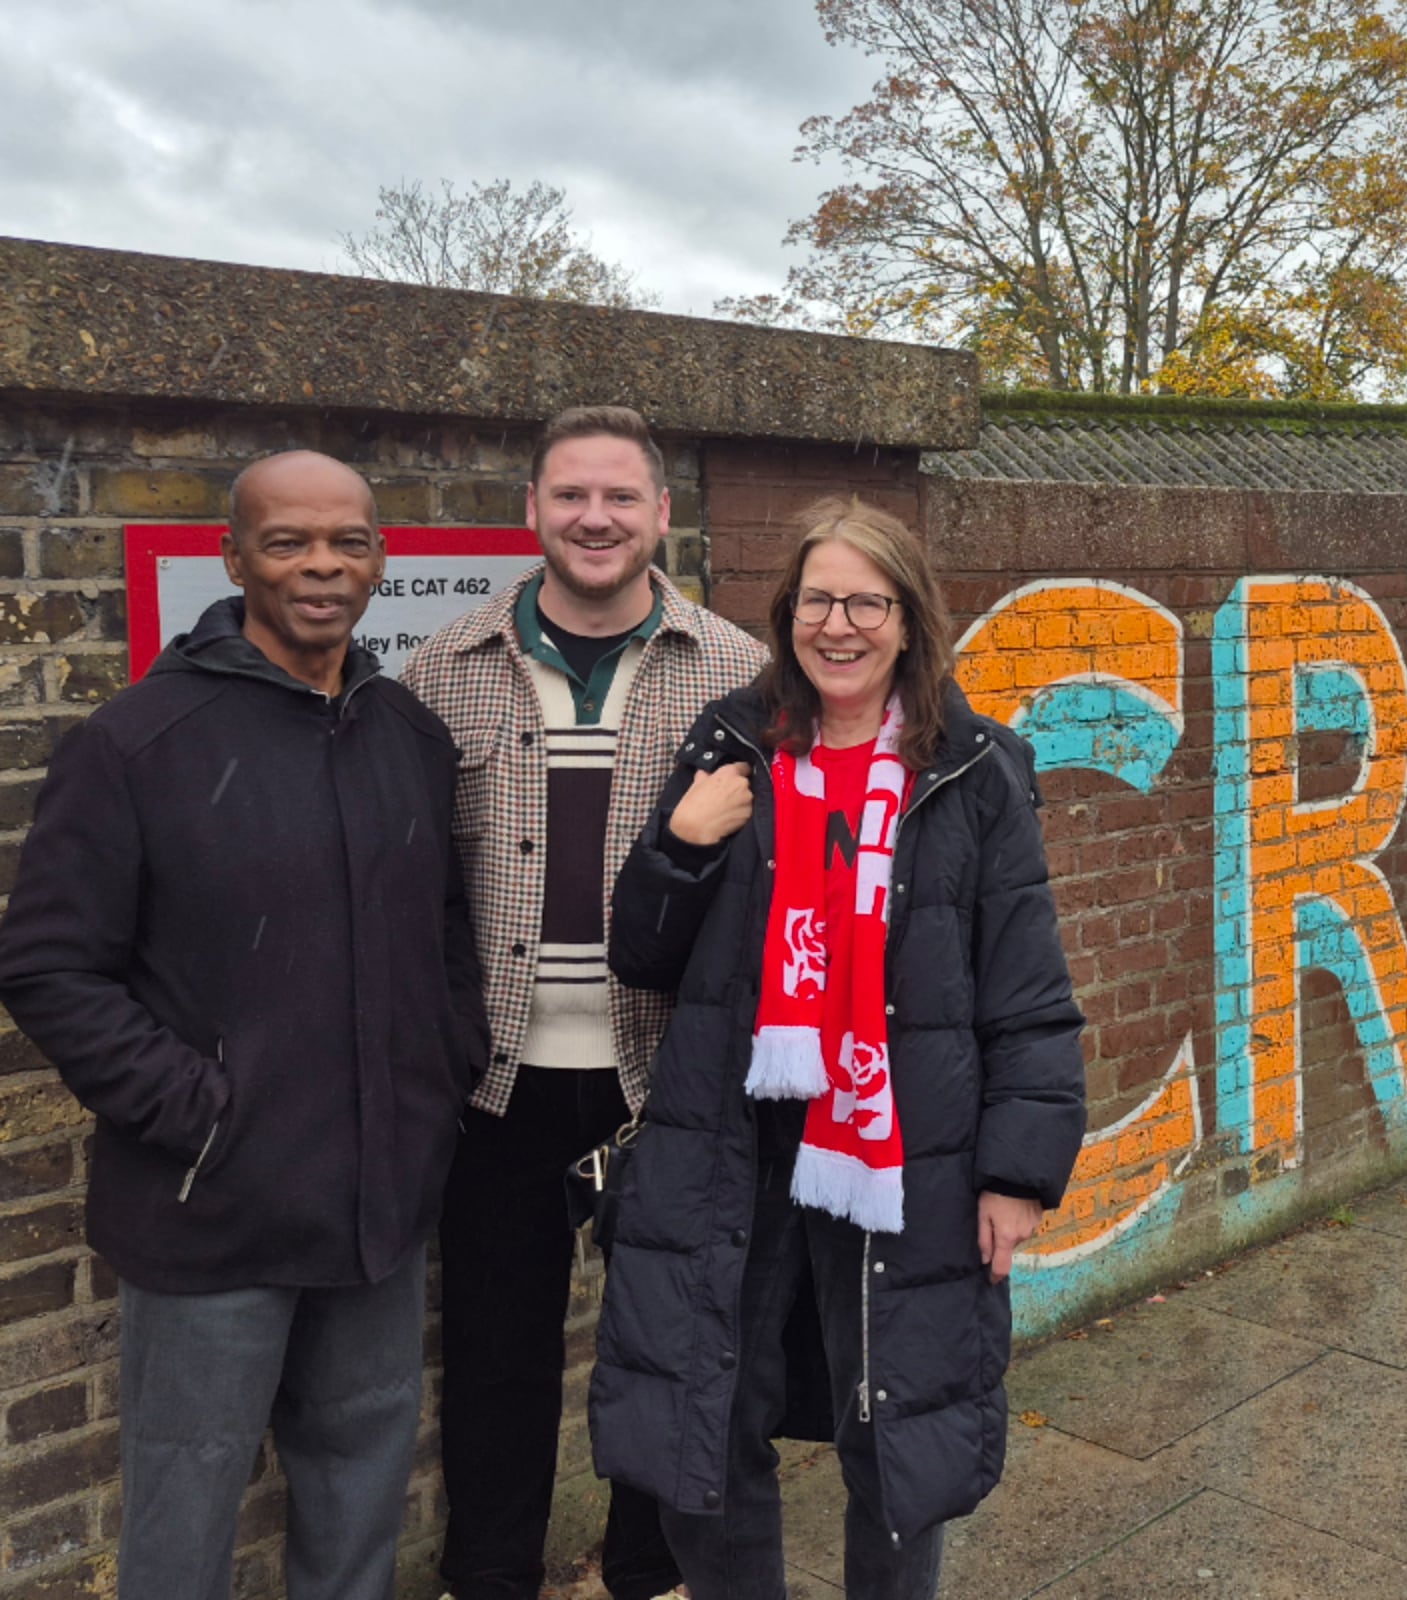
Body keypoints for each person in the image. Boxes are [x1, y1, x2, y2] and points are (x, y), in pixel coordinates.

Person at [0, 452, 486, 1599]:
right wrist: (199, 1112)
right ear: (233, 557)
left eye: (347, 541)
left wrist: (436, 1073)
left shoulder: (409, 738)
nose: (322, 564)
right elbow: (48, 962)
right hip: (209, 1213)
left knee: (361, 1488)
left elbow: (448, 939)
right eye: (288, 541)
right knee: (185, 1507)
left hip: (376, 1210)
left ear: (379, 557)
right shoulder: (137, 744)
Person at [592, 496, 1085, 1599]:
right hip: (738, 1147)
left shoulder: (975, 769)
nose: (841, 624)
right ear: (787, 615)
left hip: (904, 1151)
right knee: (708, 1422)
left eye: (869, 601)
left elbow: (1028, 990)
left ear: (910, 621)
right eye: (819, 599)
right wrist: (679, 843)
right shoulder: (732, 747)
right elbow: (642, 954)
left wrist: (1017, 1170)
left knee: (897, 1426)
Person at [401, 407, 768, 1600]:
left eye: (621, 497)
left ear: (662, 514)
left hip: (661, 1076)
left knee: (664, 1338)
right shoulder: (442, 669)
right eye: (571, 497)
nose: (595, 518)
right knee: (496, 1355)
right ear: (534, 512)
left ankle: (648, 1569)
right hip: (497, 1074)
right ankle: (490, 1574)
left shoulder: (736, 673)